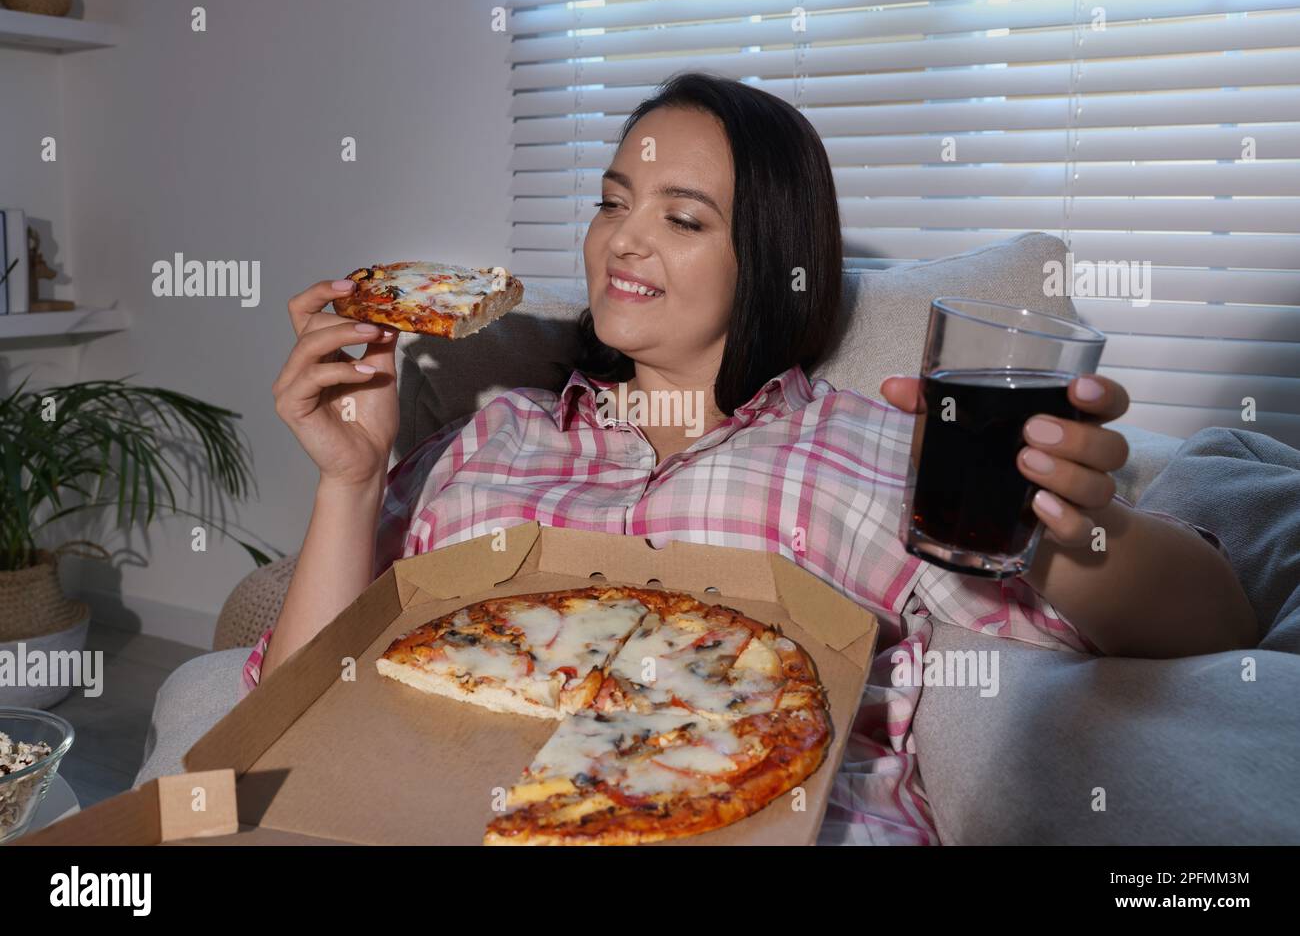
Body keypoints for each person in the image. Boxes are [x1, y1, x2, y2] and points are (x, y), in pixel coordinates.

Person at [253, 72, 1256, 845]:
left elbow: (1213, 622)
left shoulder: (865, 449)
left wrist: (1075, 525)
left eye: (682, 219)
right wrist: (350, 481)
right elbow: (294, 712)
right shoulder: (491, 439)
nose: (623, 241)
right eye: (613, 203)